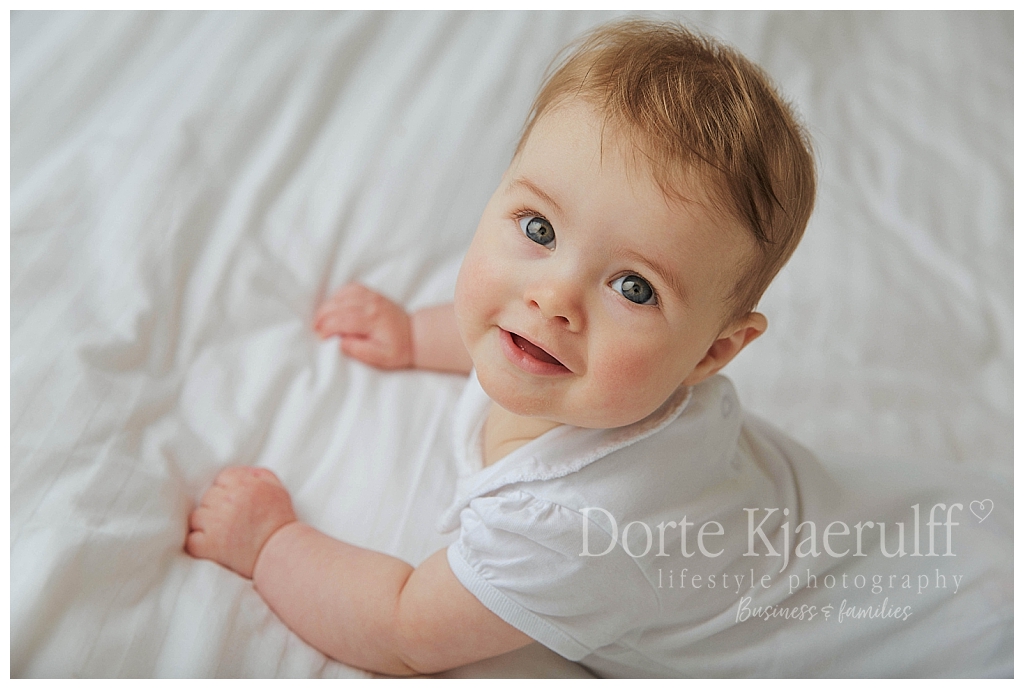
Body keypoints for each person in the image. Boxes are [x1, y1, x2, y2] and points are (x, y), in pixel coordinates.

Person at [185, 20, 1010, 677]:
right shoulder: (599, 367)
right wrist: (411, 334)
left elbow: (404, 627)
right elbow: (505, 335)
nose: (552, 298)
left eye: (634, 288)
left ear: (712, 354)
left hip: (951, 628)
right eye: (538, 229)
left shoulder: (575, 527)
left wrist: (270, 544)